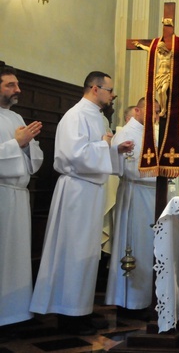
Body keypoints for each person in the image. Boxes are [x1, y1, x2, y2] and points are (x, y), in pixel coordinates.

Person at [30, 72, 134, 335]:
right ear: (95, 88)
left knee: (88, 254)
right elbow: (71, 155)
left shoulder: (97, 117)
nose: (112, 96)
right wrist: (105, 146)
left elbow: (97, 150)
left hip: (91, 190)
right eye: (110, 91)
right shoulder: (75, 115)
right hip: (76, 190)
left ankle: (81, 310)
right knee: (73, 252)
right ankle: (68, 316)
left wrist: (114, 150)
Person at [105, 97, 160, 315]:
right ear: (138, 110)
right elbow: (127, 169)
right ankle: (129, 302)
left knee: (148, 248)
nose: (156, 117)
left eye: (158, 113)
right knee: (135, 246)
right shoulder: (127, 134)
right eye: (153, 112)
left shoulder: (150, 134)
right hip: (135, 193)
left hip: (151, 195)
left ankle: (144, 299)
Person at [0, 67, 43, 332]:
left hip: (17, 196)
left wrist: (26, 144)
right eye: (10, 85)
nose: (18, 90)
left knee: (16, 255)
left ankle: (14, 312)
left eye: (17, 85)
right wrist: (16, 143)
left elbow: (34, 159)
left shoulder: (16, 115)